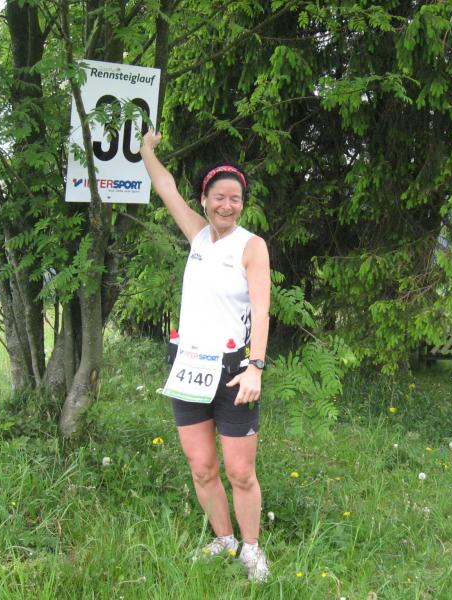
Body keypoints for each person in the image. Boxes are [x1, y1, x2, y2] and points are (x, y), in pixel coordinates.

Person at [140, 130, 271, 582]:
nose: (227, 206)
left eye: (236, 199)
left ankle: (251, 548)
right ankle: (224, 539)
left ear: (242, 203)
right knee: (201, 467)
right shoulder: (197, 235)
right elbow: (165, 188)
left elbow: (262, 309)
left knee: (240, 471)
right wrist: (146, 150)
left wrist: (255, 367)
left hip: (235, 371)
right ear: (205, 199)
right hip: (190, 366)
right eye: (219, 197)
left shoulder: (251, 246)